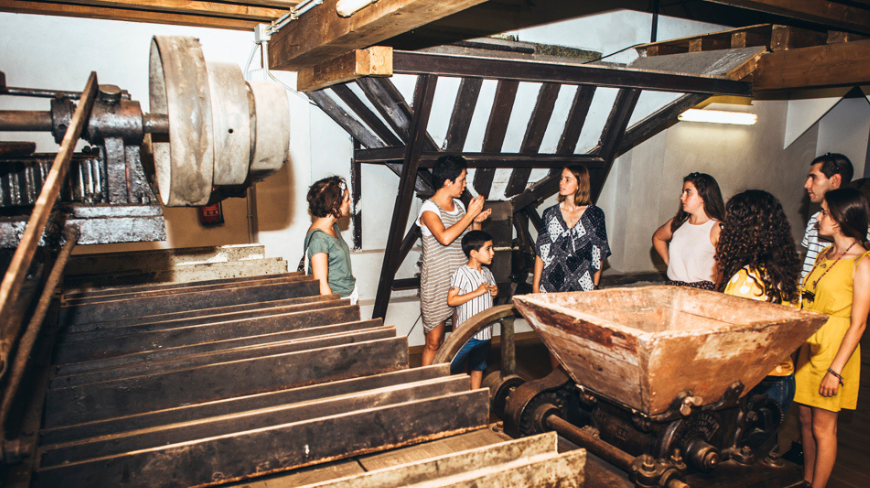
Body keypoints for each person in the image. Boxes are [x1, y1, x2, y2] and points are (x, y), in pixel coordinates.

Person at [795, 188, 869, 488]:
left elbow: (860, 323)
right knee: (805, 421)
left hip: (836, 348)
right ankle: (807, 479)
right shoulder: (827, 253)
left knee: (824, 428)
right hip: (811, 343)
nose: (818, 218)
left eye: (824, 212)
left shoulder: (863, 262)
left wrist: (835, 371)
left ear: (840, 219)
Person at [717, 190, 801, 413]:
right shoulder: (787, 274)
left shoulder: (745, 278)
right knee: (763, 444)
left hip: (751, 383)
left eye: (727, 225)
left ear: (741, 231)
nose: (722, 231)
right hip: (782, 379)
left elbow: (727, 338)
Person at [418, 155, 491, 367]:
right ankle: (427, 388)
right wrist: (469, 215)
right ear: (447, 182)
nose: (465, 184)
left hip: (460, 281)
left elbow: (470, 241)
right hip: (437, 282)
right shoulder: (428, 209)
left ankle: (451, 383)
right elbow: (445, 237)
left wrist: (475, 221)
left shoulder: (459, 206)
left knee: (459, 338)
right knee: (435, 341)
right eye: (462, 179)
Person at [533, 165, 610, 294]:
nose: (562, 182)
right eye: (562, 178)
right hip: (551, 284)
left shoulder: (595, 215)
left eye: (567, 179)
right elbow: (541, 253)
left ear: (579, 184)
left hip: (582, 285)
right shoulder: (550, 214)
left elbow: (599, 253)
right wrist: (535, 287)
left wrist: (595, 286)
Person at [652, 172, 725, 290]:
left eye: (688, 192)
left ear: (704, 196)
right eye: (683, 192)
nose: (682, 197)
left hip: (702, 290)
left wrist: (717, 292)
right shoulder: (679, 222)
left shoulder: (716, 227)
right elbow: (658, 238)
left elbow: (724, 268)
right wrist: (669, 262)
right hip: (673, 288)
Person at [446, 230, 498, 390]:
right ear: (474, 253)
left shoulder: (488, 273)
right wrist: (476, 292)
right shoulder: (461, 273)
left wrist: (494, 293)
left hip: (485, 334)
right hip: (466, 335)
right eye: (488, 249)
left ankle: (476, 397)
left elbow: (488, 297)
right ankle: (451, 398)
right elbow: (451, 300)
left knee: (478, 367)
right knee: (452, 368)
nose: (493, 253)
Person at [304, 176, 357, 304]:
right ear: (334, 205)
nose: (350, 202)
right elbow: (322, 287)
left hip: (347, 295)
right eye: (346, 199)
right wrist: (337, 311)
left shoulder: (332, 227)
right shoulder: (319, 239)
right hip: (337, 301)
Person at [802, 153, 853, 278]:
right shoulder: (815, 219)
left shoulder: (855, 223)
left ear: (835, 180)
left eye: (814, 178)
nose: (807, 185)